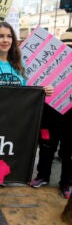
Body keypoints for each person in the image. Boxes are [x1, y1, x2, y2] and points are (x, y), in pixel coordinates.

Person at [0, 21, 54, 225]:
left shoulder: (18, 63)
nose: (6, 40)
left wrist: (42, 91)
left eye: (9, 36)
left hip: (12, 126)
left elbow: (24, 93)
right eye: (0, 36)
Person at [29, 29, 72, 199]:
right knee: (46, 147)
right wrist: (42, 90)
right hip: (50, 114)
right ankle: (42, 176)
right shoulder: (48, 64)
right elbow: (34, 84)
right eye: (67, 47)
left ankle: (66, 182)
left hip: (70, 117)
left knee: (69, 151)